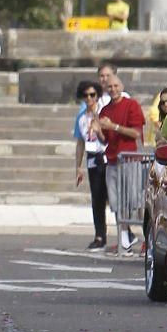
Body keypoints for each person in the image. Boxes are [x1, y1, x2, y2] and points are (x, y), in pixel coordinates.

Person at [92, 71, 144, 254]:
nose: (113, 89)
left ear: (121, 87)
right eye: (110, 87)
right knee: (116, 202)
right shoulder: (105, 110)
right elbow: (105, 139)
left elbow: (136, 133)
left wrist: (113, 126)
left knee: (133, 201)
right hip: (112, 161)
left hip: (130, 160)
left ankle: (145, 237)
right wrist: (98, 129)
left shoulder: (132, 105)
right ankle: (124, 239)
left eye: (116, 86)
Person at [72, 79, 107, 250]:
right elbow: (80, 142)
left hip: (107, 155)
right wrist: (78, 166)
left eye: (92, 95)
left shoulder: (104, 112)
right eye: (86, 95)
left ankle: (126, 234)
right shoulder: (82, 117)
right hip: (93, 157)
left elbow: (106, 138)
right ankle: (99, 235)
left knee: (114, 198)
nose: (89, 98)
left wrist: (99, 127)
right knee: (97, 199)